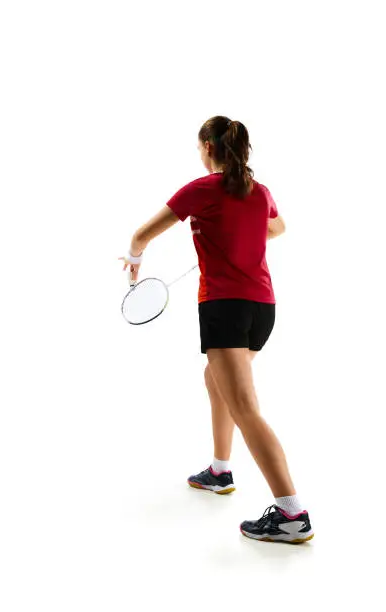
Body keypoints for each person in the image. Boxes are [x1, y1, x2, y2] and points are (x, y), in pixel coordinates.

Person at [120, 116, 314, 544]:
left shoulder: (203, 189)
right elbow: (277, 227)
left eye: (199, 146)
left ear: (208, 145)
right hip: (262, 306)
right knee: (216, 380)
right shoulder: (258, 191)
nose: (199, 152)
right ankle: (219, 470)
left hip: (225, 307)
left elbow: (142, 234)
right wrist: (240, 229)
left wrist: (133, 260)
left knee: (245, 406)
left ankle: (291, 513)